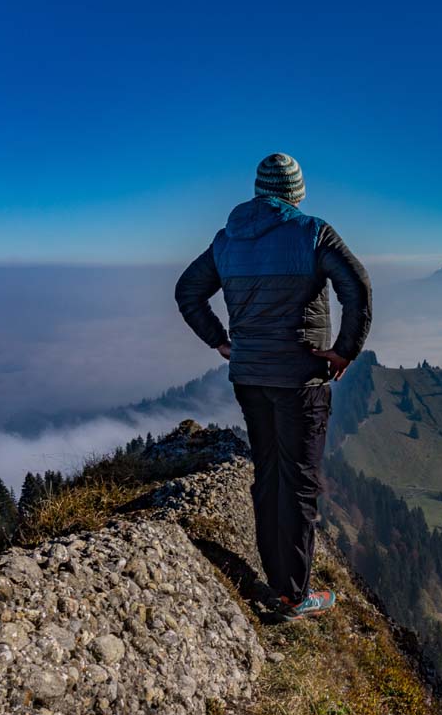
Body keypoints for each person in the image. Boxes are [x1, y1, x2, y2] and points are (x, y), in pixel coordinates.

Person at [175, 152, 372, 620]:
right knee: (299, 481)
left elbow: (188, 291)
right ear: (295, 192)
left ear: (259, 190)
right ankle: (293, 595)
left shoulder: (227, 239)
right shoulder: (313, 232)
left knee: (267, 472)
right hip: (299, 378)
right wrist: (345, 350)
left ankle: (278, 579)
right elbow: (357, 288)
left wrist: (221, 343)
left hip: (250, 377)